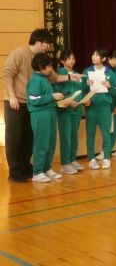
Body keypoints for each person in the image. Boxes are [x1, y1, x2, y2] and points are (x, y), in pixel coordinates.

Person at [2, 28, 82, 183]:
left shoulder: (42, 60)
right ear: (38, 42)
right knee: (14, 138)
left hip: (34, 106)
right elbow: (7, 75)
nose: (49, 47)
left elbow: (55, 78)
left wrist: (71, 77)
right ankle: (15, 172)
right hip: (16, 102)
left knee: (30, 137)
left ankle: (27, 168)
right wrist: (12, 97)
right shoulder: (19, 53)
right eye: (47, 44)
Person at [27, 53, 64, 183]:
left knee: (51, 143)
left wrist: (56, 97)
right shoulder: (35, 80)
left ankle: (47, 168)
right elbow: (34, 99)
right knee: (41, 143)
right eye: (48, 66)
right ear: (40, 66)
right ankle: (37, 172)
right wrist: (52, 96)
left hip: (50, 112)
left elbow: (45, 97)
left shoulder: (44, 79)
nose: (50, 69)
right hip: (40, 114)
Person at [82, 48, 116, 170]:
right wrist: (85, 85)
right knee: (90, 134)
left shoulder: (109, 73)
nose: (93, 57)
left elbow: (115, 92)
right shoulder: (87, 71)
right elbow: (82, 90)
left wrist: (110, 86)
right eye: (93, 54)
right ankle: (91, 159)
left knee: (106, 133)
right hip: (91, 107)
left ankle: (106, 158)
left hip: (104, 107)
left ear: (103, 58)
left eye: (97, 55)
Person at [55, 50, 85, 174]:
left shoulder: (78, 75)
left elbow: (81, 90)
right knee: (66, 137)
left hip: (76, 109)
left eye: (73, 58)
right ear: (62, 61)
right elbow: (57, 92)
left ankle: (72, 160)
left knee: (74, 136)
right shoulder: (58, 75)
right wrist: (67, 101)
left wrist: (83, 100)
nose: (72, 61)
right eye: (68, 59)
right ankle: (65, 163)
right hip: (65, 111)